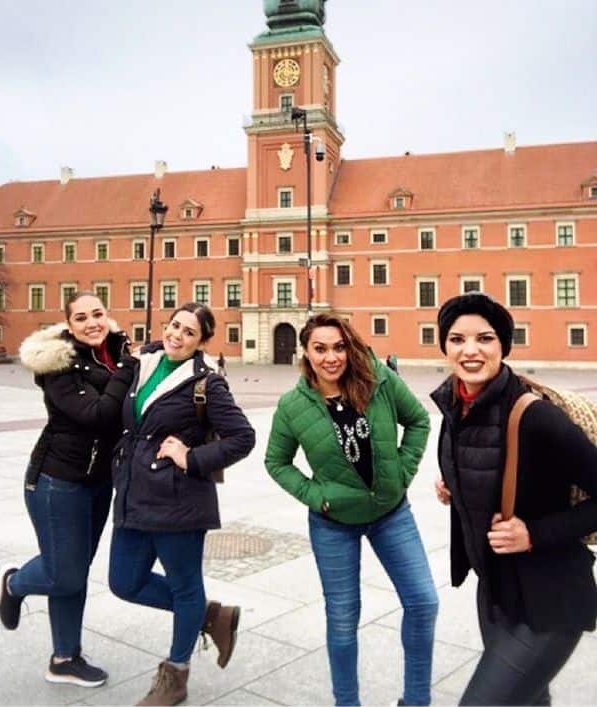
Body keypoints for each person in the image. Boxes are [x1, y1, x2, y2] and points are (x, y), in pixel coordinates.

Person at [265, 312, 438, 707]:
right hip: (333, 524)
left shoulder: (378, 379)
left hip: (392, 514)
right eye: (320, 349)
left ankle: (417, 701)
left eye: (339, 347)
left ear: (350, 346)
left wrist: (402, 471)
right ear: (305, 353)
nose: (332, 357)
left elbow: (418, 422)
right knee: (343, 621)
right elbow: (276, 462)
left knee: (424, 602)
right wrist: (316, 495)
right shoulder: (293, 405)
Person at [432, 292, 597, 706]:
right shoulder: (456, 405)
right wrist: (457, 483)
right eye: (457, 339)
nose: (470, 351)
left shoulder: (535, 416)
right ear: (444, 346)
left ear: (503, 346)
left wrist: (534, 534)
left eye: (484, 339)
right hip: (496, 594)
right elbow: (492, 465)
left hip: (549, 600)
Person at [109, 302, 256, 707]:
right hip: (134, 494)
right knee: (124, 581)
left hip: (179, 501)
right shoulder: (147, 362)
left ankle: (176, 676)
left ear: (201, 342)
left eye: (189, 332)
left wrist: (191, 458)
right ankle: (210, 615)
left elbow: (242, 437)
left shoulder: (207, 382)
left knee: (185, 585)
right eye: (175, 326)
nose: (178, 335)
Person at [0, 292, 137, 687]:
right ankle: (15, 583)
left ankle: (64, 658)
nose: (92, 322)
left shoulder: (110, 353)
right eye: (81, 317)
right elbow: (98, 414)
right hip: (56, 482)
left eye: (98, 314)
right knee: (65, 572)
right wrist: (128, 367)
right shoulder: (59, 365)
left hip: (97, 482)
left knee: (73, 571)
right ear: (69, 326)